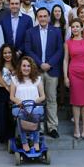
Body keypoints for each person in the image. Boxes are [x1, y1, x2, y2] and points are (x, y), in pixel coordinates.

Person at [24, 7, 64, 138]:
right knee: (37, 100)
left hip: (52, 71)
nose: (42, 18)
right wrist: (40, 64)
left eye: (45, 16)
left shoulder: (56, 31)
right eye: (40, 16)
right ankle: (39, 127)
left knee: (52, 99)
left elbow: (60, 50)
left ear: (48, 17)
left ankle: (52, 127)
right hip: (36, 70)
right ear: (37, 18)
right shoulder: (30, 32)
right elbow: (28, 49)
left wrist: (49, 64)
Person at [10, 56, 46, 152]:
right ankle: (24, 142)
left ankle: (36, 142)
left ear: (32, 67)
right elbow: (12, 97)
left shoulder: (37, 79)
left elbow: (43, 96)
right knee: (21, 115)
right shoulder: (15, 79)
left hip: (34, 106)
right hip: (20, 106)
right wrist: (19, 102)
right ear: (20, 67)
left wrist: (35, 101)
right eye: (24, 66)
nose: (26, 68)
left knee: (36, 115)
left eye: (28, 66)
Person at [0, 44, 16, 143]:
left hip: (14, 92)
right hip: (2, 91)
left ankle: (11, 137)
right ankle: (2, 137)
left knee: (11, 116)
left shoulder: (17, 64)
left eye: (9, 52)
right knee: (2, 115)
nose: (7, 55)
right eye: (5, 53)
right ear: (2, 54)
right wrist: (7, 87)